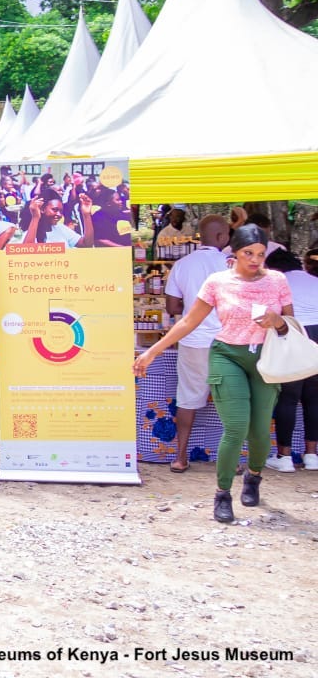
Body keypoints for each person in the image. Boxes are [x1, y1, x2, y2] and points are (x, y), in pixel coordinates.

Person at [134, 224, 293, 523]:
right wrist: (152, 351)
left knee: (259, 430)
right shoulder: (218, 281)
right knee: (235, 427)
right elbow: (188, 322)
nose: (255, 260)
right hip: (226, 355)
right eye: (248, 253)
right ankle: (222, 494)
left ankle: (254, 475)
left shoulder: (277, 281)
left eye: (260, 254)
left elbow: (290, 326)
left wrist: (277, 321)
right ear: (233, 252)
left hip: (265, 359)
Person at [161, 214, 230, 473]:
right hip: (227, 341)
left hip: (192, 339)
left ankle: (180, 457)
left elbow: (172, 307)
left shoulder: (182, 264)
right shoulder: (231, 264)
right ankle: (231, 460)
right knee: (231, 399)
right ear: (223, 237)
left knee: (188, 398)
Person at [263, 248, 318, 472]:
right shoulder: (314, 280)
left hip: (294, 335)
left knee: (288, 398)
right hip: (317, 336)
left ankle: (284, 456)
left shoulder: (278, 283)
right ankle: (312, 455)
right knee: (314, 399)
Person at [18, 189, 96, 247]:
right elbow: (26, 253)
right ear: (42, 209)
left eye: (61, 211)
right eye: (54, 210)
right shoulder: (30, 233)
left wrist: (86, 215)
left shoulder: (61, 229)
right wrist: (35, 217)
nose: (59, 214)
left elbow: (86, 244)